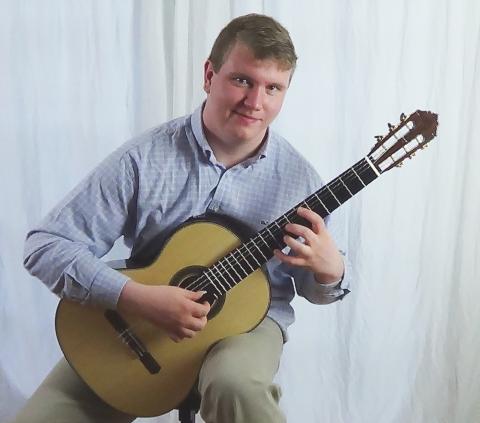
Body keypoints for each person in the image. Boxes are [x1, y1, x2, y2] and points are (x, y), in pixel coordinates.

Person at [13, 13, 350, 423]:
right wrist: (136, 297)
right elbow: (46, 245)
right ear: (209, 75)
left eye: (273, 88)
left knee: (235, 383)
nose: (255, 102)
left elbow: (314, 288)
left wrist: (331, 271)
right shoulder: (145, 158)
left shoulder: (301, 181)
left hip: (249, 328)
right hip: (134, 325)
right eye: (242, 80)